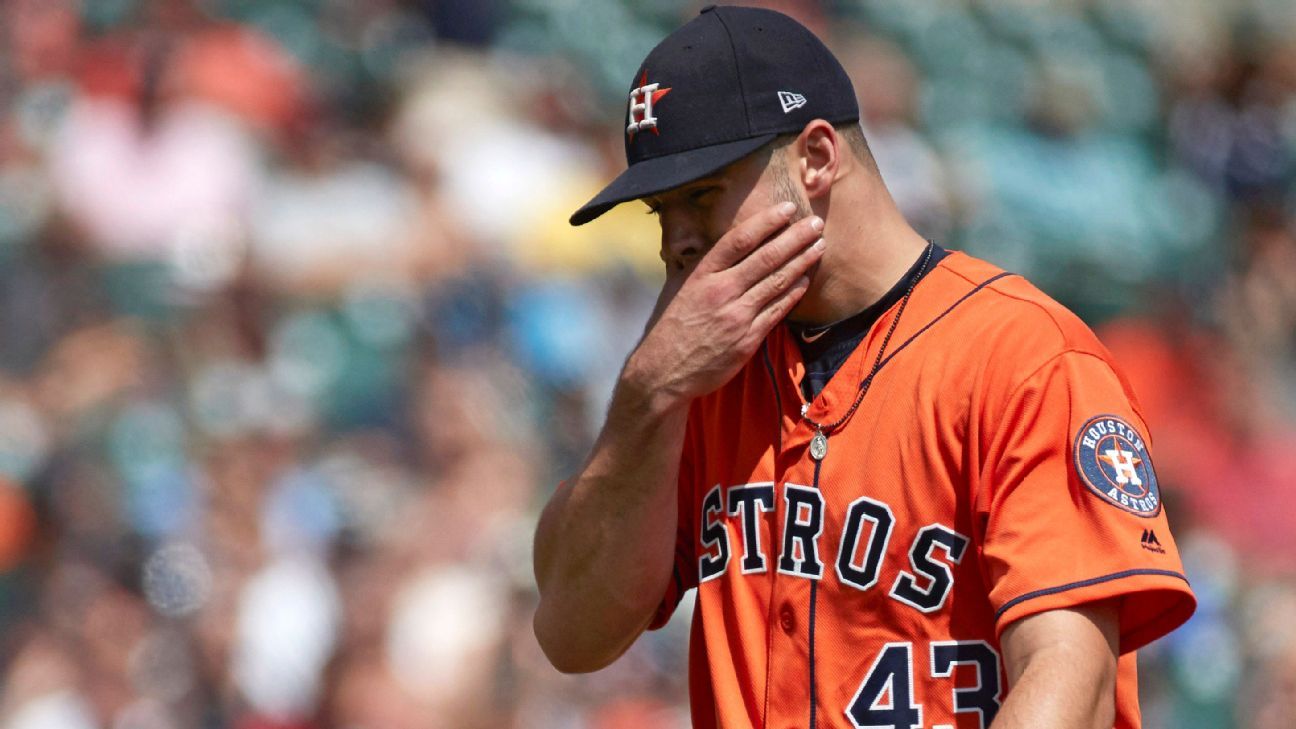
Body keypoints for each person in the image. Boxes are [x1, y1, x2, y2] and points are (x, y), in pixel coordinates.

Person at [533, 6, 1197, 728]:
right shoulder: (696, 379)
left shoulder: (1022, 356)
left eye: (700, 196)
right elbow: (574, 631)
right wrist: (646, 393)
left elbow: (1071, 686)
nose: (678, 242)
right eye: (661, 212)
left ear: (817, 157)